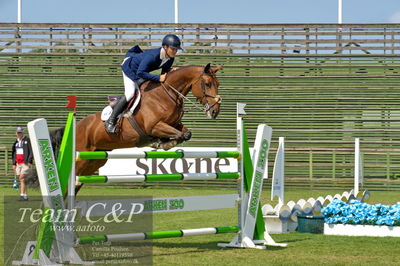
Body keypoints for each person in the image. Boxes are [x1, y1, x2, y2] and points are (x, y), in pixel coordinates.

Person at [104, 34, 183, 134]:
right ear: (165, 47)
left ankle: (119, 102)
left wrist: (171, 71)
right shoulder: (153, 56)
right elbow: (140, 73)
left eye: (176, 49)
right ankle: (110, 121)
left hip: (141, 70)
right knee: (130, 93)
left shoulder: (170, 58)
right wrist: (158, 77)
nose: (175, 51)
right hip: (130, 68)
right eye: (173, 49)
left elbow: (165, 71)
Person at [11, 126, 33, 201]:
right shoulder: (16, 142)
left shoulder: (27, 140)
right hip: (18, 163)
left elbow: (31, 151)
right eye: (18, 132)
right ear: (16, 133)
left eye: (20, 132)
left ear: (23, 133)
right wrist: (14, 163)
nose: (19, 134)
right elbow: (14, 153)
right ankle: (25, 196)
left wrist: (30, 161)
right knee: (22, 180)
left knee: (21, 177)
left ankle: (21, 195)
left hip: (25, 163)